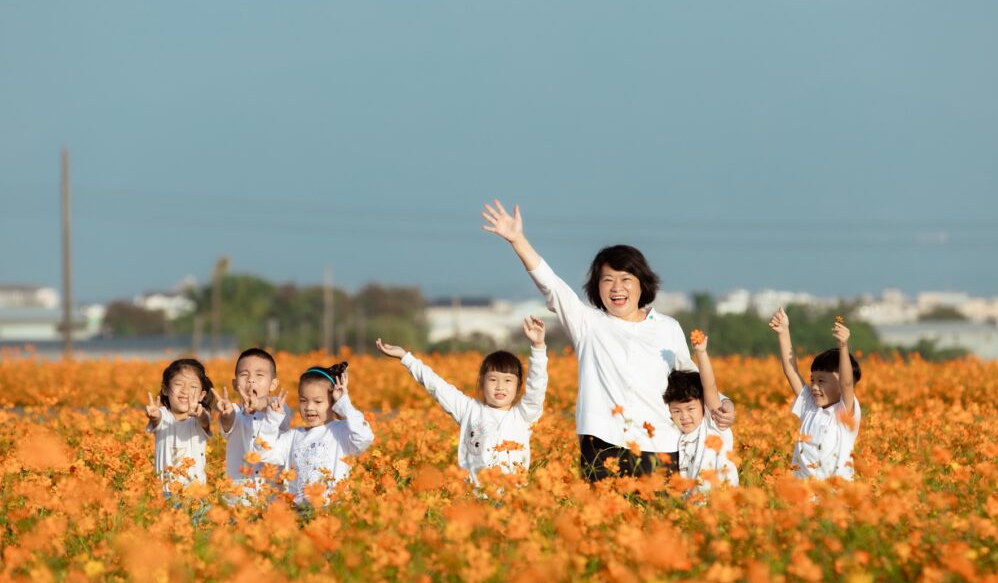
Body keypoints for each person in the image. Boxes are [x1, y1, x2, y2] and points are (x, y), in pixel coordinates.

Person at [480, 199, 735, 481]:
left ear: (642, 283)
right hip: (602, 444)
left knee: (655, 523)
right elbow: (552, 286)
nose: (617, 288)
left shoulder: (667, 328)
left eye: (626, 279)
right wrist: (518, 240)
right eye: (607, 280)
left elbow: (691, 382)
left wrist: (723, 404)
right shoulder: (588, 323)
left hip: (659, 445)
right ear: (596, 286)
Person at [376, 316, 548, 484]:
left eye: (508, 380)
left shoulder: (524, 415)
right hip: (474, 498)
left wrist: (538, 347)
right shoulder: (469, 410)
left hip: (513, 500)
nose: (500, 387)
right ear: (481, 382)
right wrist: (406, 358)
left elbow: (537, 386)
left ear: (519, 386)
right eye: (493, 379)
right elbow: (436, 386)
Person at [261, 362, 375, 504]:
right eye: (303, 401)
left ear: (333, 402)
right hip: (300, 512)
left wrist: (344, 403)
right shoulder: (293, 436)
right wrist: (272, 420)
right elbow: (264, 453)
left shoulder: (341, 431)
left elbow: (364, 437)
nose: (309, 407)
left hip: (332, 510)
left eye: (318, 401)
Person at [768, 308, 861, 480]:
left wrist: (843, 346)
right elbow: (791, 371)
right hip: (804, 494)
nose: (815, 387)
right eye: (812, 380)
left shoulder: (843, 412)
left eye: (822, 381)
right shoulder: (810, 406)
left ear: (840, 386)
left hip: (835, 494)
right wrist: (783, 332)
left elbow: (847, 384)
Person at [663, 331, 738, 495]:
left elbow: (709, 386)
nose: (684, 417)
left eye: (690, 409)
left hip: (724, 499)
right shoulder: (679, 436)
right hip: (696, 509)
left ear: (703, 404)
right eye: (676, 411)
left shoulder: (713, 423)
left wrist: (701, 353)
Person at [211, 348, 290, 497]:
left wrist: (258, 403)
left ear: (273, 384)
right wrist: (225, 413)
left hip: (273, 499)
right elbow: (228, 419)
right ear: (235, 384)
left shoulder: (278, 409)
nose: (251, 380)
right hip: (238, 500)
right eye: (244, 374)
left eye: (259, 375)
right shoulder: (234, 412)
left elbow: (270, 402)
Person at [145, 358, 214, 494]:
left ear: (201, 395)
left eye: (193, 387)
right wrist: (154, 415)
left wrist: (200, 413)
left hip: (195, 495)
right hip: (165, 493)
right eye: (178, 384)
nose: (185, 391)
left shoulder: (198, 420)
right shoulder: (163, 416)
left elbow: (205, 421)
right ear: (165, 389)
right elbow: (157, 419)